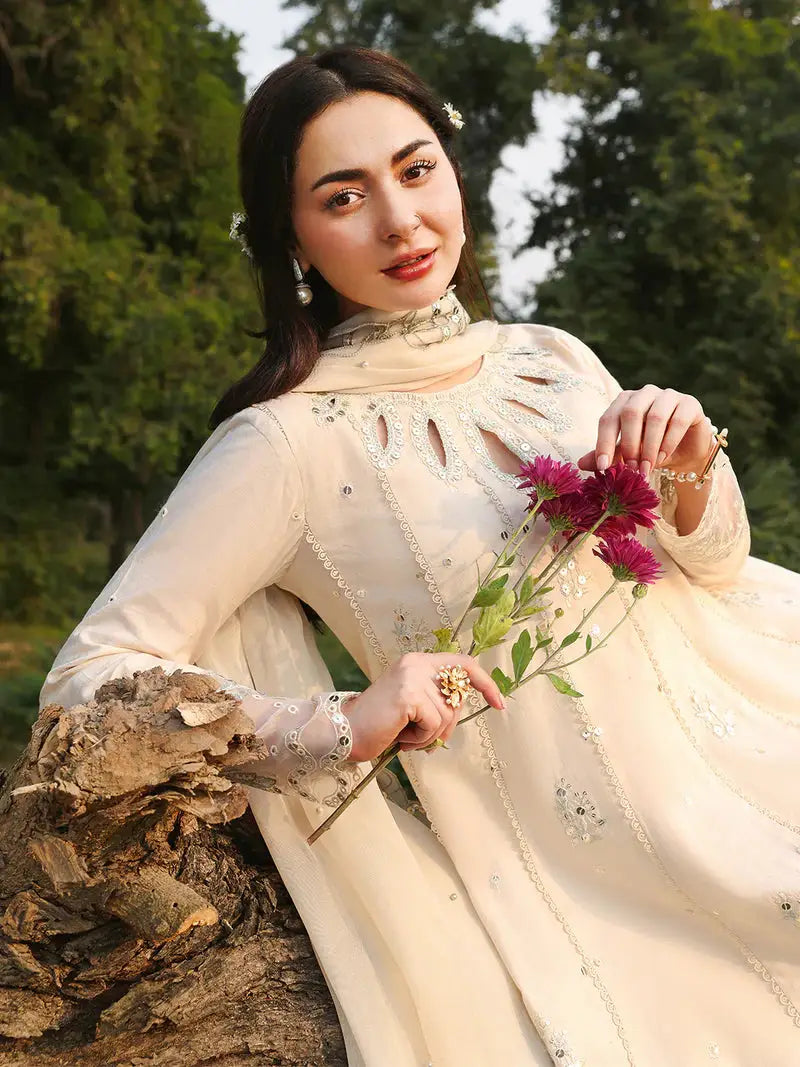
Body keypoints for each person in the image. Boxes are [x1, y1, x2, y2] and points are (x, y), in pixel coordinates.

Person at [40, 44, 800, 1067]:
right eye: (342, 196)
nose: (400, 222)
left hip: (759, 719)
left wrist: (690, 464)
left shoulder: (549, 354)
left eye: (415, 169)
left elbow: (710, 569)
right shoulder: (284, 445)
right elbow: (85, 678)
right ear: (290, 238)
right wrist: (337, 721)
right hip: (608, 868)